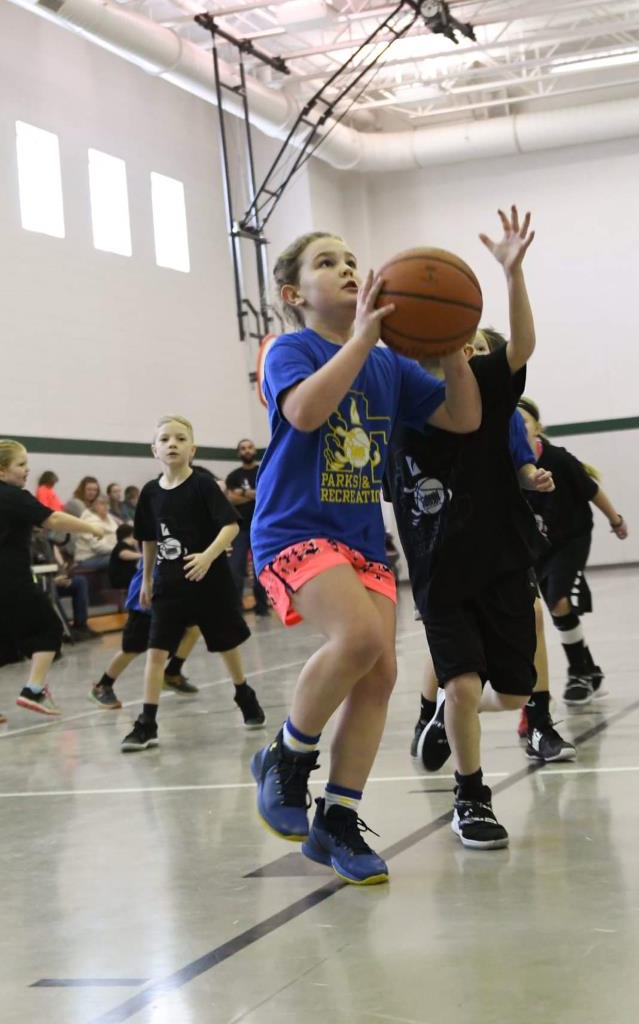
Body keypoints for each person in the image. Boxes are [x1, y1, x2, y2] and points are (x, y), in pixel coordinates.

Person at [249, 230, 481, 885]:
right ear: (295, 295)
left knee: (378, 676)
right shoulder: (287, 349)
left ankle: (336, 822)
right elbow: (304, 413)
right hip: (292, 527)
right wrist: (361, 340)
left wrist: (452, 350)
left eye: (352, 260)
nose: (347, 269)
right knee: (355, 638)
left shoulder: (391, 364)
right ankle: (287, 756)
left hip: (358, 539)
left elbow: (460, 421)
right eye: (328, 264)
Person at [386, 206, 564, 851]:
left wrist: (512, 275)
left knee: (513, 691)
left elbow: (521, 346)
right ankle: (471, 795)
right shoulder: (394, 389)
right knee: (462, 681)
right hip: (439, 567)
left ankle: (442, 714)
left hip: (504, 557)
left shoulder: (489, 383)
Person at [411, 327, 575, 768]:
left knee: (531, 619)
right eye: (474, 350)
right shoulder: (418, 411)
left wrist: (531, 476)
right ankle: (435, 713)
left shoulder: (503, 413)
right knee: (453, 657)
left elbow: (522, 462)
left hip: (501, 542)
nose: (478, 358)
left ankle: (530, 715)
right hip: (442, 553)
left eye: (485, 352)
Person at [120, 415, 265, 751]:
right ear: (154, 449)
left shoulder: (202, 485)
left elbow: (230, 526)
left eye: (181, 439)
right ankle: (147, 723)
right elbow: (149, 539)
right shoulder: (151, 493)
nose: (173, 444)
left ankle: (243, 693)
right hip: (168, 586)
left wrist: (207, 556)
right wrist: (146, 578)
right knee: (156, 652)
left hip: (208, 581)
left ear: (193, 448)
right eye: (166, 439)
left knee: (225, 645)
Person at [518, 397, 629, 706]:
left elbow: (592, 490)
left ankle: (579, 672)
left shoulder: (559, 459)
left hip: (571, 538)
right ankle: (589, 670)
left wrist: (616, 520)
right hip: (539, 546)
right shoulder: (509, 464)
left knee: (559, 601)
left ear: (537, 428)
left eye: (523, 420)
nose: (517, 426)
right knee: (555, 609)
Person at [0, 440, 105, 716]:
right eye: (21, 465)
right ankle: (34, 691)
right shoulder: (13, 496)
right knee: (49, 629)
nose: (27, 470)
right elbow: (54, 520)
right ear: (1, 470)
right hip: (12, 582)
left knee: (4, 645)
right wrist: (91, 528)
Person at [91, 558, 200, 709]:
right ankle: (103, 685)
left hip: (174, 594)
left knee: (193, 628)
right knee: (133, 648)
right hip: (146, 599)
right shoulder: (157, 539)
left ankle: (172, 673)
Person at [225, 439, 269, 616]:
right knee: (235, 569)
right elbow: (230, 498)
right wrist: (252, 494)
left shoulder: (264, 470)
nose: (247, 450)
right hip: (240, 529)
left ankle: (262, 607)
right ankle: (236, 610)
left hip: (262, 528)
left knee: (261, 569)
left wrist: (241, 493)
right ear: (238, 453)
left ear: (254, 450)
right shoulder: (234, 476)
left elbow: (268, 495)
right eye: (243, 448)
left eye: (250, 447)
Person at [30, 529, 97, 643]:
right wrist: (52, 580)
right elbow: (28, 574)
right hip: (38, 585)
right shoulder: (23, 546)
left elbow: (55, 565)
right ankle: (65, 630)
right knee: (51, 590)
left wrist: (63, 576)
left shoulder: (46, 542)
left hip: (54, 581)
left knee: (80, 582)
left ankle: (81, 626)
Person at [74, 494, 119, 568]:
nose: (106, 506)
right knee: (121, 559)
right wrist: (120, 549)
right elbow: (98, 547)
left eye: (107, 503)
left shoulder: (109, 518)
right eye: (102, 503)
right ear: (93, 506)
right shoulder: (89, 521)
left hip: (107, 553)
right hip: (88, 557)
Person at [108, 523, 142, 590]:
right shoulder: (121, 546)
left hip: (129, 577)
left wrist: (136, 546)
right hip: (121, 580)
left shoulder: (129, 546)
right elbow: (123, 554)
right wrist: (144, 556)